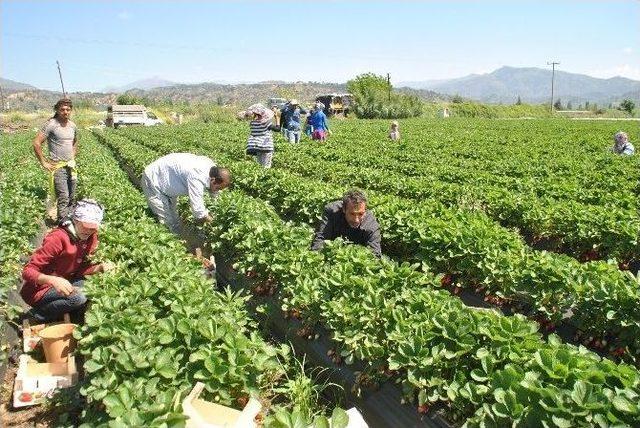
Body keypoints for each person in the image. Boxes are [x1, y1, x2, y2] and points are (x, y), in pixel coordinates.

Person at [21, 199, 113, 322]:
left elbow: (79, 269)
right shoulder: (58, 238)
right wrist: (52, 280)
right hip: (40, 290)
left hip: (67, 281)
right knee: (79, 298)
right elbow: (27, 271)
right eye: (85, 226)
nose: (88, 231)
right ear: (75, 220)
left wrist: (99, 268)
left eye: (93, 228)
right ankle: (38, 315)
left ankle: (67, 311)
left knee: (92, 286)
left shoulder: (91, 237)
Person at [141, 153, 231, 234]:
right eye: (218, 188)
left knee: (175, 218)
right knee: (167, 221)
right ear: (213, 180)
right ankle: (171, 245)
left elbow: (214, 192)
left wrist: (217, 208)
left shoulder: (213, 170)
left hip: (167, 182)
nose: (217, 191)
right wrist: (215, 224)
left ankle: (177, 238)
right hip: (153, 180)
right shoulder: (197, 177)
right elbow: (198, 211)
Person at [32, 98, 78, 221]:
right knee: (63, 196)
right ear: (57, 110)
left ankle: (70, 219)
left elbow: (74, 142)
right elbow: (36, 143)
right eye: (62, 109)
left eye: (68, 109)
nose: (65, 112)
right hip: (58, 167)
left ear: (71, 111)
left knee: (72, 196)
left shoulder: (72, 125)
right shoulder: (51, 124)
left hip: (71, 166)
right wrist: (43, 162)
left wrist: (72, 157)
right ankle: (62, 222)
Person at [311, 189, 382, 258]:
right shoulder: (332, 212)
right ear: (344, 210)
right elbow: (321, 237)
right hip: (333, 253)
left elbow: (375, 254)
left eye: (360, 214)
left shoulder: (371, 225)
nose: (356, 220)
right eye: (352, 214)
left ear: (365, 211)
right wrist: (316, 258)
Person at [242, 104, 280, 168]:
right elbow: (277, 129)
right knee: (266, 166)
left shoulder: (252, 123)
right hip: (266, 146)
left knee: (260, 165)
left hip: (257, 146)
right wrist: (277, 119)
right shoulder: (266, 123)